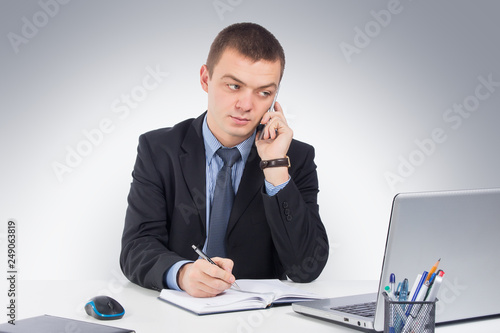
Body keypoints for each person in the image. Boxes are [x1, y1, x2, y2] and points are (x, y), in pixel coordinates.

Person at [120, 22, 329, 297]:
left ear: (275, 98)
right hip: (180, 311)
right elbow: (137, 246)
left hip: (260, 317)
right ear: (206, 79)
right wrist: (182, 273)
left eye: (264, 92)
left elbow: (305, 269)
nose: (246, 105)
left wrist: (275, 168)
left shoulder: (294, 158)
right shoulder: (159, 149)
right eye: (234, 86)